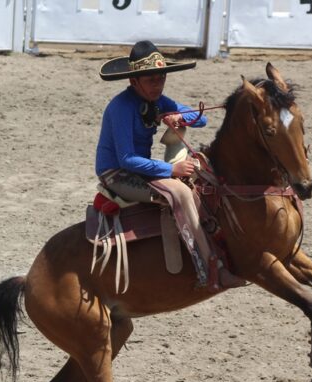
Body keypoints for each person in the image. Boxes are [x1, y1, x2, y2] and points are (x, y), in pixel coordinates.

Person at [96, 41, 242, 291]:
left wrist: (178, 116)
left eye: (161, 78)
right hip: (117, 175)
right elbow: (126, 159)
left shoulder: (158, 101)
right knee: (181, 192)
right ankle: (210, 269)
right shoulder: (121, 107)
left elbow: (202, 118)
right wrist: (172, 170)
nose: (158, 85)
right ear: (134, 81)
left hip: (138, 170)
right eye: (151, 80)